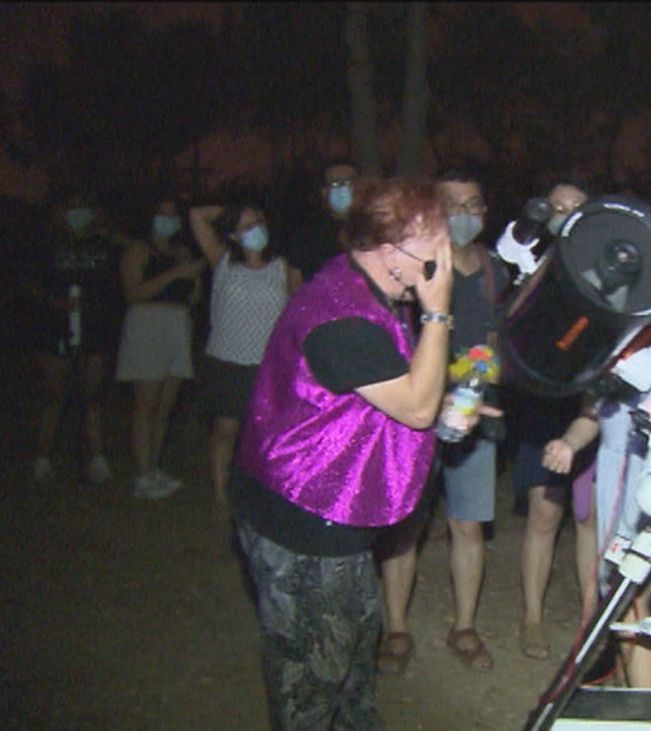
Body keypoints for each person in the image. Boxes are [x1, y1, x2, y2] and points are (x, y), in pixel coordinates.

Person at [232, 176, 484, 729]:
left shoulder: (369, 287)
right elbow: (414, 407)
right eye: (433, 248)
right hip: (303, 522)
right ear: (392, 251)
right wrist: (439, 311)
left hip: (330, 514)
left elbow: (387, 390)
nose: (441, 260)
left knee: (351, 660)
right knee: (313, 677)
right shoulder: (341, 317)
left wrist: (440, 403)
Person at [376, 169, 509, 674]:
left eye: (474, 205)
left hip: (476, 417)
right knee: (404, 527)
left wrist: (481, 385)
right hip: (412, 415)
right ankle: (395, 629)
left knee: (468, 524)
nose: (464, 214)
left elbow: (497, 341)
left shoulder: (497, 270)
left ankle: (465, 625)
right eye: (452, 204)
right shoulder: (414, 266)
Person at [541, 303, 651, 689]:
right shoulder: (609, 348)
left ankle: (649, 711)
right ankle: (628, 693)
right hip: (616, 484)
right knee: (619, 598)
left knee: (635, 603)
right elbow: (592, 415)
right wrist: (569, 443)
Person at [512, 177, 600, 661]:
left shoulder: (606, 267)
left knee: (590, 517)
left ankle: (592, 619)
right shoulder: (530, 266)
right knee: (545, 514)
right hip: (546, 402)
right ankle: (531, 618)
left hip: (593, 402)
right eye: (557, 206)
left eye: (577, 206)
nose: (565, 214)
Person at [190, 201, 301, 522]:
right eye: (247, 226)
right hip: (227, 361)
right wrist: (232, 214)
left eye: (259, 223)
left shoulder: (281, 266)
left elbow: (296, 310)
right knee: (225, 431)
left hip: (268, 365)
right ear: (233, 236)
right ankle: (221, 496)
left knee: (267, 437)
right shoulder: (222, 261)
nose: (256, 231)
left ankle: (267, 495)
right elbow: (198, 215)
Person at [29, 193, 125, 485]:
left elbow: (128, 255)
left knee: (92, 396)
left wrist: (108, 233)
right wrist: (57, 302)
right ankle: (42, 458)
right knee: (53, 397)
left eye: (83, 207)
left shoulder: (103, 245)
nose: (78, 213)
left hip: (95, 328)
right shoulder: (48, 244)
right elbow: (32, 285)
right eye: (71, 208)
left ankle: (97, 458)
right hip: (57, 329)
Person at [115, 198, 206, 498]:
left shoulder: (181, 252)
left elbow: (191, 297)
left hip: (176, 324)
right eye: (161, 215)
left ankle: (154, 468)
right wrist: (173, 275)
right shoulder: (138, 250)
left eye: (172, 216)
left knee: (165, 405)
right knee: (146, 404)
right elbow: (133, 293)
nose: (167, 221)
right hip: (147, 325)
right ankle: (142, 474)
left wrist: (193, 281)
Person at [284, 159, 357, 283]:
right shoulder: (306, 233)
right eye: (334, 184)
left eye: (347, 182)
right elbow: (295, 281)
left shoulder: (373, 227)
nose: (342, 188)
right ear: (324, 191)